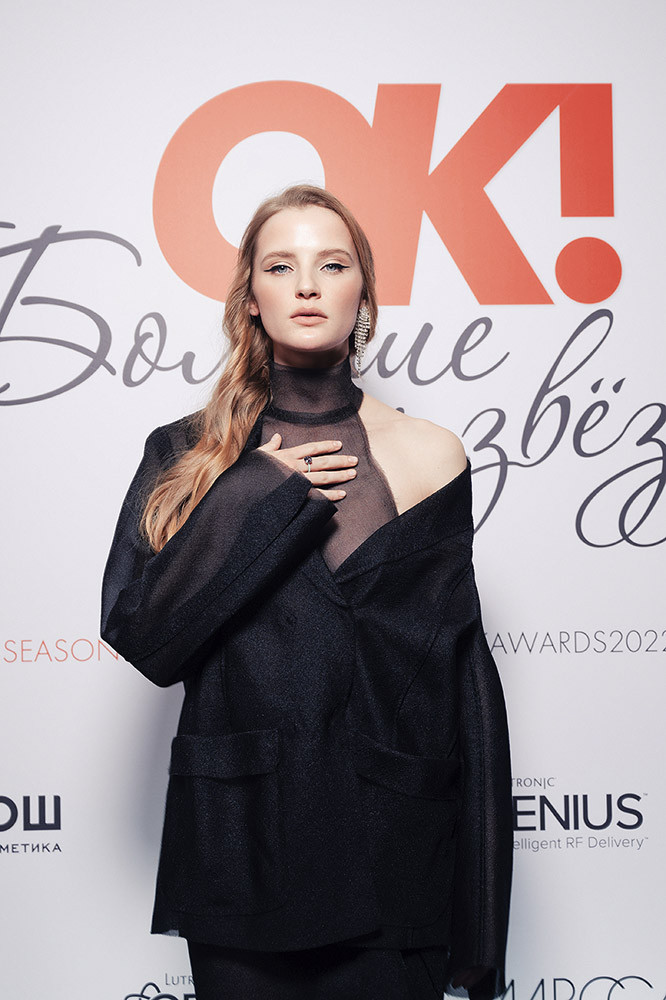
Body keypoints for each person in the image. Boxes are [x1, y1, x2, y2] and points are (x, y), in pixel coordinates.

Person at [101, 184, 512, 1000]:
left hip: (394, 846)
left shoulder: (432, 454)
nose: (308, 285)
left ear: (364, 293)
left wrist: (482, 915)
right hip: (241, 847)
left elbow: (464, 678)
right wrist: (256, 494)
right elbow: (143, 635)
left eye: (332, 264)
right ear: (250, 299)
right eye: (281, 266)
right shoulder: (187, 454)